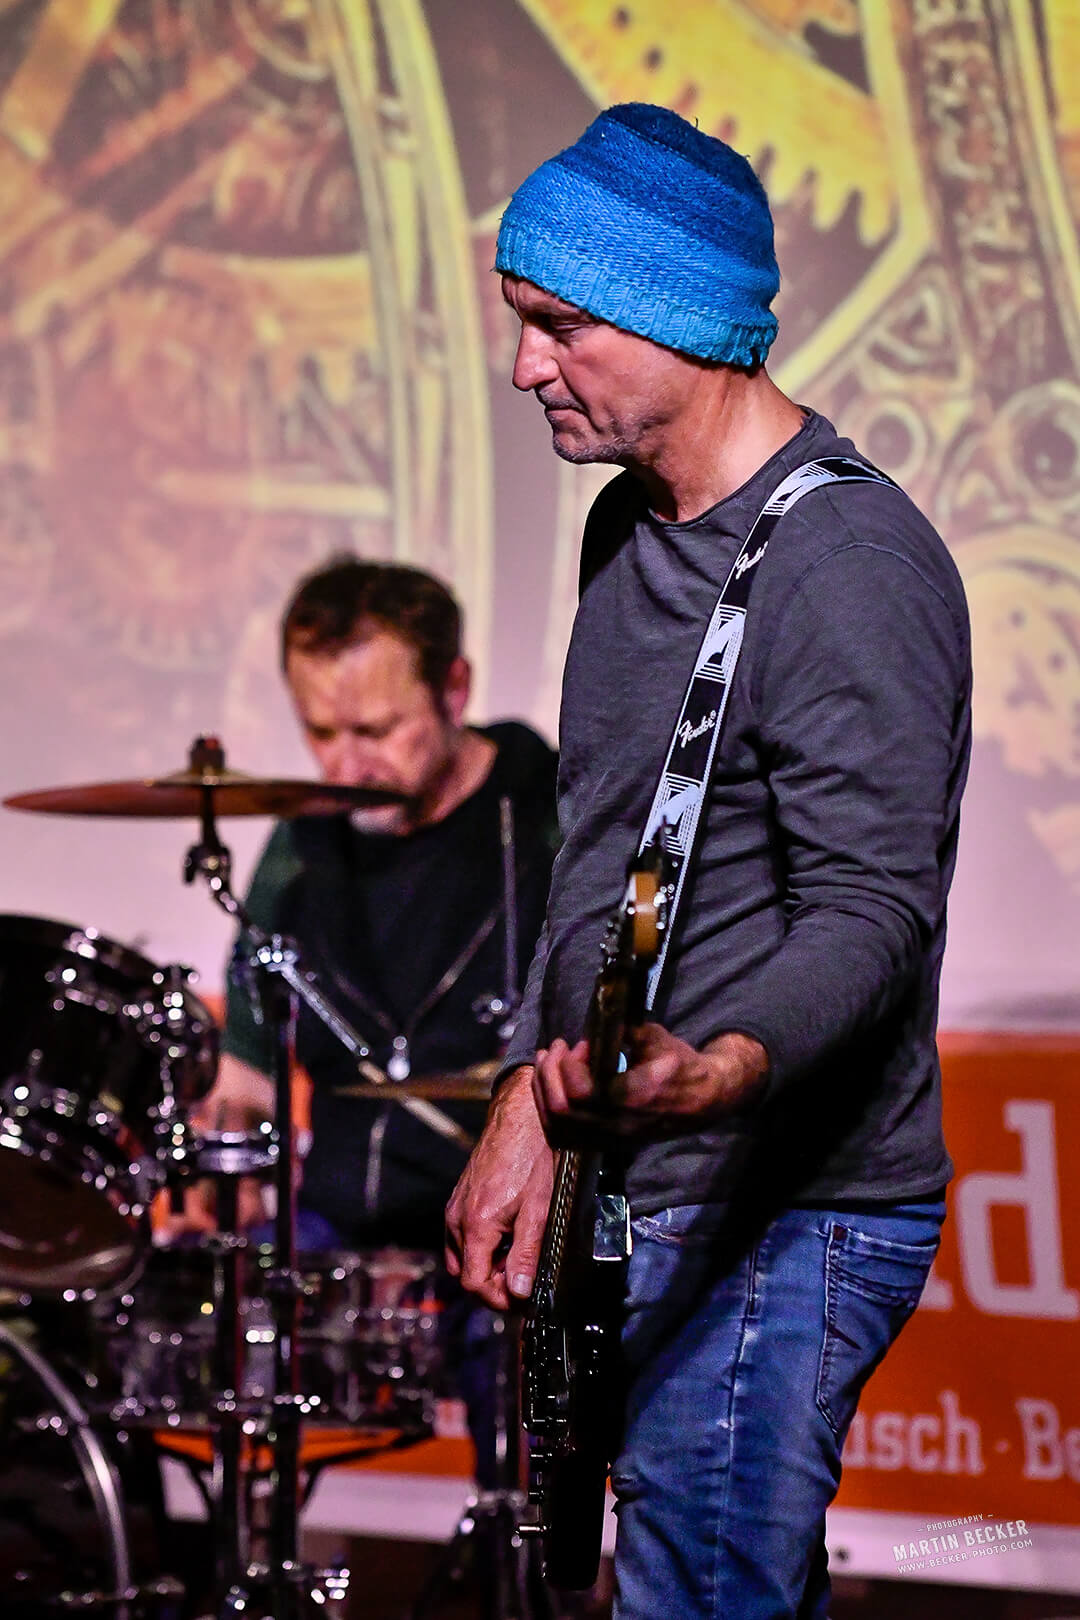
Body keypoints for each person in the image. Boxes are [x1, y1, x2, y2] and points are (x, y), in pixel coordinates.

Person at [445, 103, 972, 1618]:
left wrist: (722, 1068)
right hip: (648, 1178)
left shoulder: (849, 565)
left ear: (682, 319)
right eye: (519, 319)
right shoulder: (630, 526)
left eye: (561, 325)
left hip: (785, 1216)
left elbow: (871, 910)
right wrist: (531, 1097)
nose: (525, 365)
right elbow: (606, 855)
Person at [201, 555, 558, 1480]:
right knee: (227, 1342)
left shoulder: (543, 813)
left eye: (377, 729)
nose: (346, 764)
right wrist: (231, 1150)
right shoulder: (303, 843)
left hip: (501, 1212)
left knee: (534, 1452)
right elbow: (246, 1064)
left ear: (454, 689)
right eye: (321, 731)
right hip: (341, 1216)